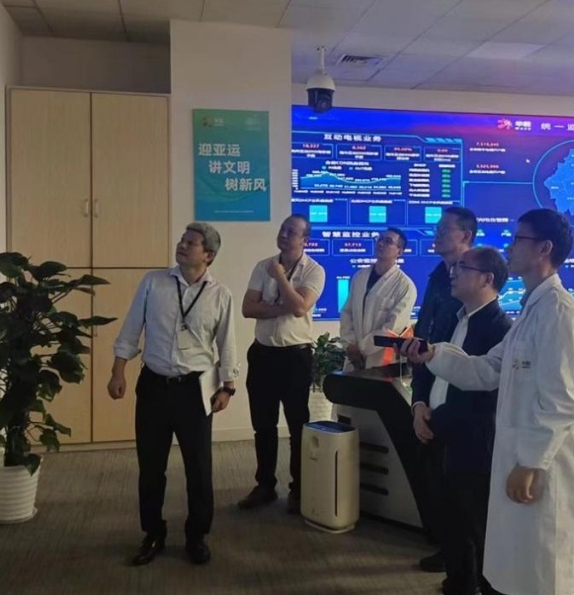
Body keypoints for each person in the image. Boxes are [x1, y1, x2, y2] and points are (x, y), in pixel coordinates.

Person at [406, 209, 574, 595]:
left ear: (544, 249)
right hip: (525, 469)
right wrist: (434, 355)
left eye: (519, 239)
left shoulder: (560, 313)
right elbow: (487, 370)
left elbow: (562, 401)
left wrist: (531, 461)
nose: (511, 247)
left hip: (546, 475)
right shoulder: (531, 312)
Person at [405, 246, 513, 595]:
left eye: (463, 267)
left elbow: (483, 391)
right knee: (451, 532)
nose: (453, 272)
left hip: (474, 444)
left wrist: (440, 419)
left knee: (485, 540)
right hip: (437, 434)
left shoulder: (502, 329)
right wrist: (418, 406)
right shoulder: (452, 315)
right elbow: (425, 364)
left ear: (487, 278)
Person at [108, 223, 239, 567]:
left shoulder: (220, 294)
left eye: (191, 243)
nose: (182, 245)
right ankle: (153, 532)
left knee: (199, 467)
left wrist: (228, 387)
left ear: (208, 255)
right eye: (182, 240)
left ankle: (197, 535)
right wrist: (118, 370)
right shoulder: (153, 282)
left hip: (196, 391)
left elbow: (227, 343)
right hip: (154, 386)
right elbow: (131, 328)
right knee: (151, 466)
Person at [238, 214, 326, 515]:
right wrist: (281, 306)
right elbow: (247, 308)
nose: (284, 235)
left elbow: (300, 307)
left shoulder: (314, 270)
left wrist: (279, 278)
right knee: (263, 425)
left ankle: (299, 488)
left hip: (295, 357)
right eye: (283, 229)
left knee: (297, 425)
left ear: (305, 240)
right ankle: (265, 485)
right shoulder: (262, 265)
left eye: (292, 232)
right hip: (262, 355)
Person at [413, 206, 477, 573]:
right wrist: (419, 400)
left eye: (444, 228)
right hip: (431, 388)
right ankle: (445, 544)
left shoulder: (477, 284)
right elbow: (425, 334)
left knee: (458, 485)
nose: (436, 233)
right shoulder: (438, 276)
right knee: (434, 475)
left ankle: (459, 557)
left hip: (459, 397)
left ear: (465, 236)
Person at [339, 227, 417, 371]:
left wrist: (361, 348)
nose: (381, 244)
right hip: (353, 357)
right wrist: (350, 344)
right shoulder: (360, 277)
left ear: (399, 251)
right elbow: (347, 312)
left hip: (381, 361)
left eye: (388, 241)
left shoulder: (405, 286)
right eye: (380, 239)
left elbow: (392, 328)